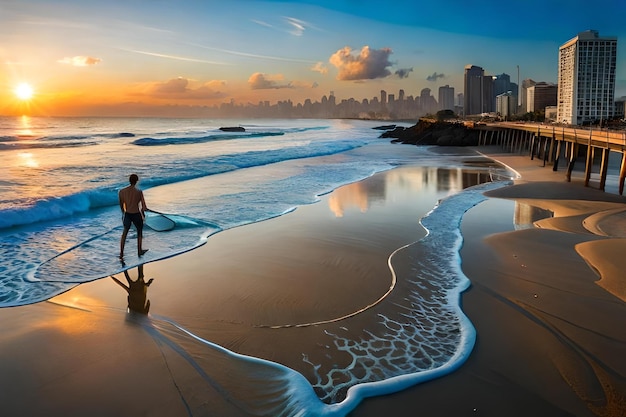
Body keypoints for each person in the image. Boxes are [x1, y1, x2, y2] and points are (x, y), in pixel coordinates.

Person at [118, 173, 148, 258]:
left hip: (127, 214)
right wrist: (144, 214)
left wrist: (123, 213)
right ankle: (139, 251)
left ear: (129, 181)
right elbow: (143, 207)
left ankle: (121, 253)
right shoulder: (139, 192)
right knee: (139, 232)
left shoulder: (122, 191)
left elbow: (121, 204)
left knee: (124, 233)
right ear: (136, 181)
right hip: (136, 214)